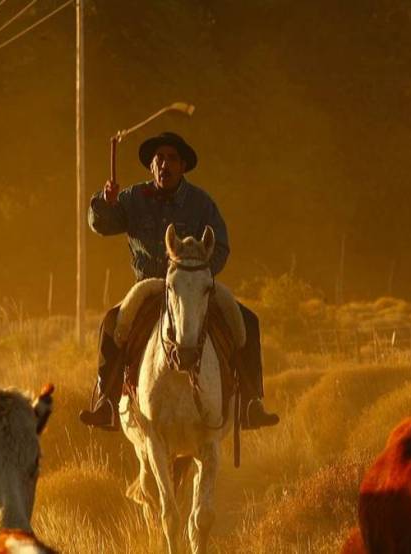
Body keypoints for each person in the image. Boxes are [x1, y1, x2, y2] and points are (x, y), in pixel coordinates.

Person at [79, 132, 279, 430]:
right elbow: (101, 225)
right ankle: (106, 404)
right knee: (111, 322)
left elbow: (220, 246)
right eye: (159, 159)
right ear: (151, 166)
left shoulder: (201, 203)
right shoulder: (134, 198)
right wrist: (104, 203)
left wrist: (198, 277)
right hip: (149, 287)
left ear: (183, 166)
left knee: (247, 320)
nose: (165, 165)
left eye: (172, 159)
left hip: (191, 289)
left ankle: (251, 403)